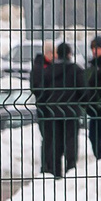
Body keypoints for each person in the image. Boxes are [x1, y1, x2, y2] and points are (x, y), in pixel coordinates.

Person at [47, 42, 87, 177]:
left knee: (56, 141)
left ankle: (55, 172)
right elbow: (83, 91)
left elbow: (44, 89)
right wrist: (80, 103)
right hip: (71, 110)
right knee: (71, 140)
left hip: (54, 111)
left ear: (57, 54)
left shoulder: (50, 70)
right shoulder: (76, 70)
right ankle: (70, 169)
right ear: (69, 54)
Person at [27, 39, 62, 177]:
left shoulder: (47, 66)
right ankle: (47, 167)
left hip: (51, 108)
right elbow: (36, 87)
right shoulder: (40, 68)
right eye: (54, 53)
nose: (57, 57)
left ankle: (52, 166)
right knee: (48, 138)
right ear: (49, 53)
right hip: (44, 108)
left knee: (53, 138)